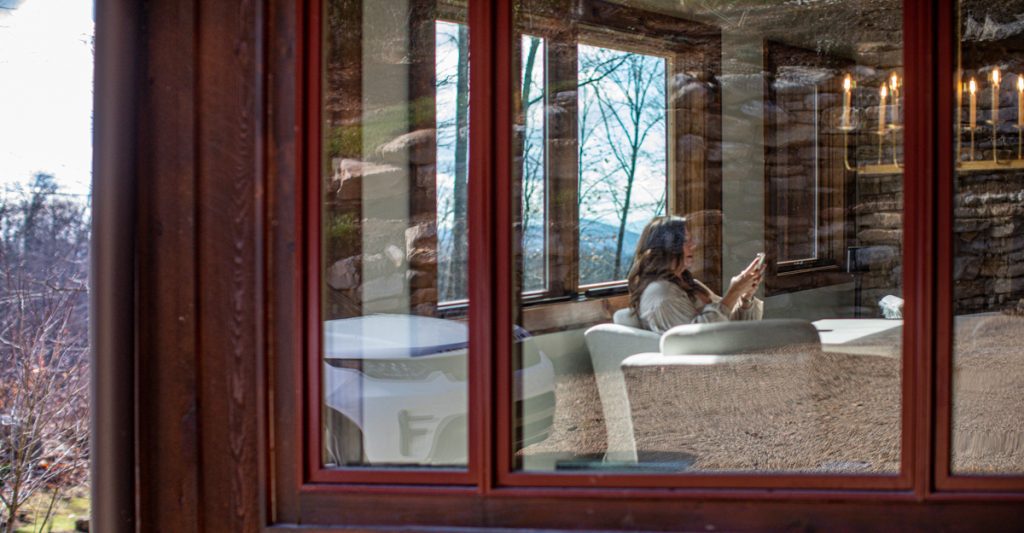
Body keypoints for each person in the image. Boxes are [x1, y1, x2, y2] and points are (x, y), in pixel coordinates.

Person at [627, 216, 764, 334]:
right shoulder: (661, 293)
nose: (693, 245)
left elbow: (732, 324)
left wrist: (745, 297)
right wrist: (734, 292)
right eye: (686, 241)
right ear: (667, 247)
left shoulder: (691, 284)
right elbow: (698, 339)